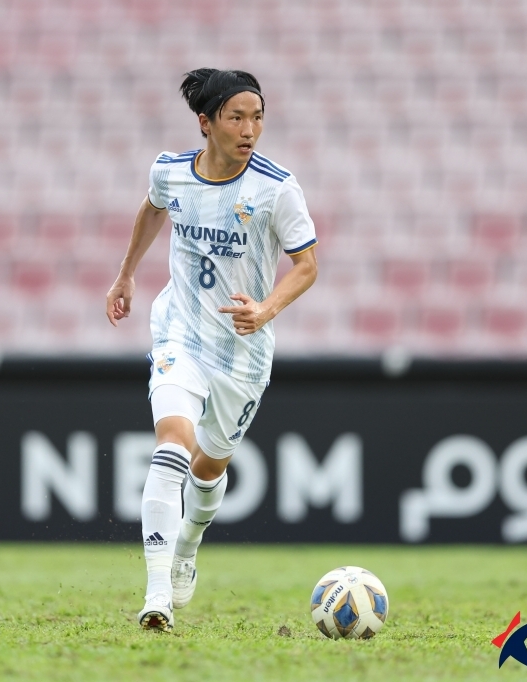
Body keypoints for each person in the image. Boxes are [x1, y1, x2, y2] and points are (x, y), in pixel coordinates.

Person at [106, 68, 318, 631]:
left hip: (244, 353)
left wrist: (266, 309)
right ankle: (156, 598)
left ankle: (188, 547)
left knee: (209, 465)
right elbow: (153, 207)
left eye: (258, 116)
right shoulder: (171, 172)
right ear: (206, 123)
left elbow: (307, 267)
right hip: (180, 333)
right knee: (172, 444)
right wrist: (127, 275)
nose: (250, 129)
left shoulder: (277, 188)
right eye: (237, 117)